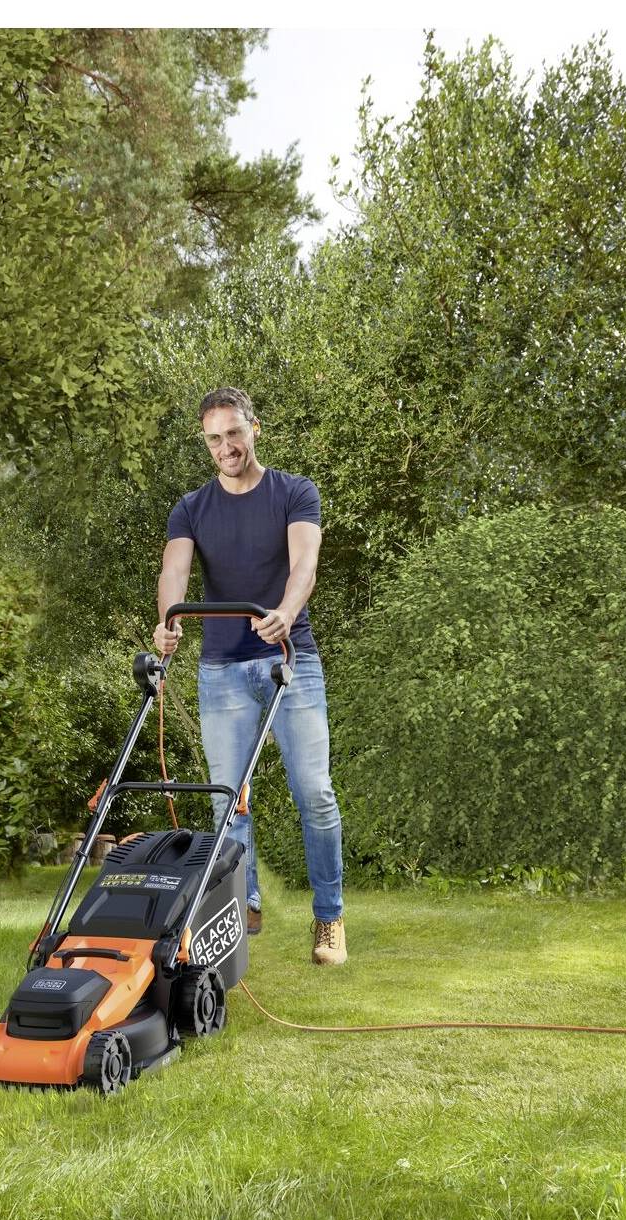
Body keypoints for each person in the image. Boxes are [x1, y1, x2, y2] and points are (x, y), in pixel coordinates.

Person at [152, 387, 348, 965]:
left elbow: (305, 563)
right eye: (214, 438)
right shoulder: (191, 508)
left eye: (233, 433)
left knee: (314, 793)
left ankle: (329, 918)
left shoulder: (294, 492)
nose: (225, 447)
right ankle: (243, 907)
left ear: (254, 429)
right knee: (227, 802)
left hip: (290, 661)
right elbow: (174, 569)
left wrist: (286, 611)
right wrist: (167, 622)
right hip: (222, 669)